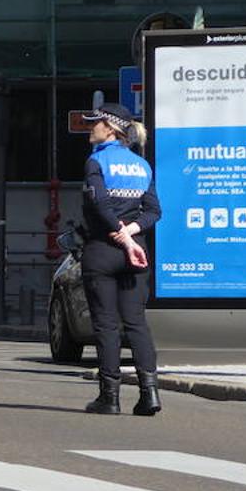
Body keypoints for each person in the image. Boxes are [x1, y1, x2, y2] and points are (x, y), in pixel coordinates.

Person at [79, 102, 162, 416]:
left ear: (110, 128)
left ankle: (109, 397)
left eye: (94, 122)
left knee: (106, 324)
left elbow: (100, 206)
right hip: (137, 251)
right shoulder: (141, 165)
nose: (90, 128)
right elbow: (155, 211)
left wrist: (121, 236)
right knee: (137, 322)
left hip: (104, 247)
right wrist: (132, 233)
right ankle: (149, 394)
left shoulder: (96, 161)